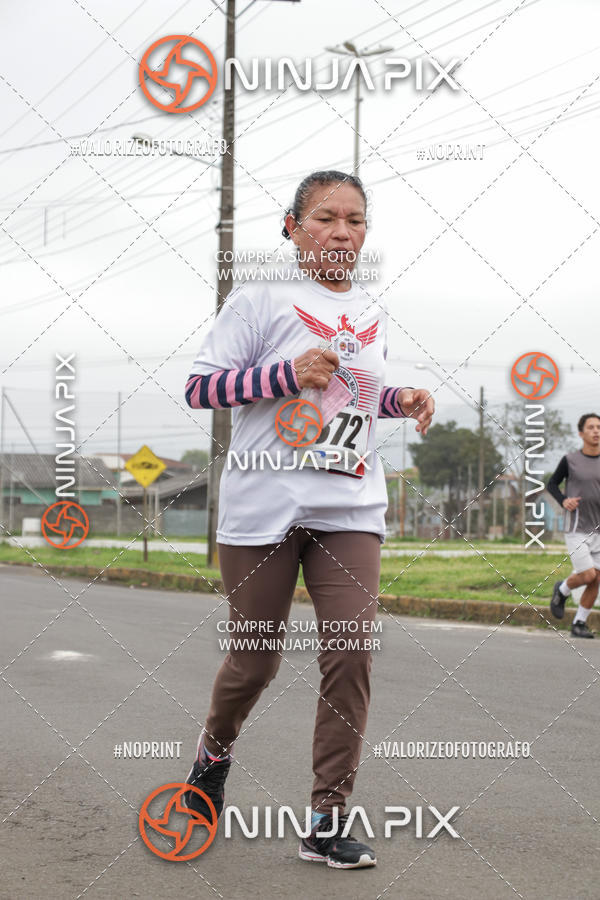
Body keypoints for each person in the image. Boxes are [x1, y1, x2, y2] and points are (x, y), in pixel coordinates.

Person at [182, 170, 435, 868]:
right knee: (254, 662)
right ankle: (214, 752)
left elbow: (356, 399)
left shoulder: (371, 310)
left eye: (355, 221)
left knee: (352, 651)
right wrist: (281, 376)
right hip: (263, 508)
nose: (342, 232)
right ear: (291, 226)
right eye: (326, 218)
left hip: (349, 503)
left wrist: (402, 397)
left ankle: (327, 819)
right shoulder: (258, 298)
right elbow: (200, 387)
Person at [547, 413, 600, 638]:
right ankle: (562, 589)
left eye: (599, 427)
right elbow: (552, 484)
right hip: (577, 528)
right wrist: (563, 500)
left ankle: (579, 623)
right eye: (591, 427)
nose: (596, 431)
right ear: (581, 433)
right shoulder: (570, 461)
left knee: (597, 578)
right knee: (587, 575)